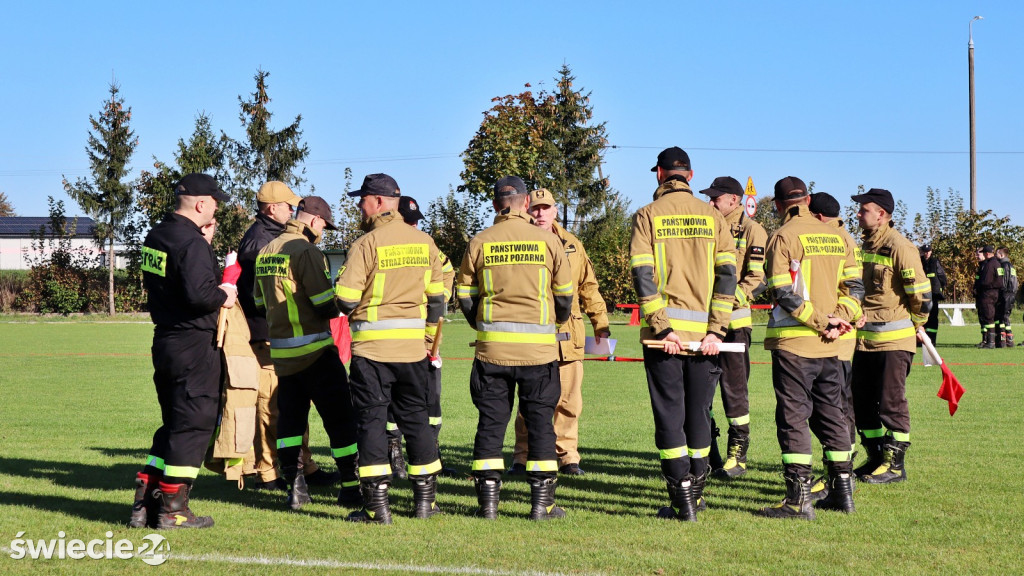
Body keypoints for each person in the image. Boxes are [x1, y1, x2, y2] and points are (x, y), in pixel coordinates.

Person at [629, 148, 736, 521]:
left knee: (670, 417)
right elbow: (727, 278)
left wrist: (663, 327)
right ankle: (698, 496)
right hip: (706, 339)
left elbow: (643, 277)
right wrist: (716, 331)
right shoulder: (713, 216)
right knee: (699, 416)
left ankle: (682, 501)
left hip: (666, 340)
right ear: (690, 176)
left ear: (659, 174)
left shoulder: (647, 215)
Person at [458, 175, 573, 520]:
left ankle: (488, 505)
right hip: (539, 352)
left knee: (491, 423)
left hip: (491, 351)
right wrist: (552, 323)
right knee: (540, 424)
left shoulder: (480, 241)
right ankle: (542, 505)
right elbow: (565, 295)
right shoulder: (548, 241)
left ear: (496, 205)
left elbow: (464, 295)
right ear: (525, 203)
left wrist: (481, 325)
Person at [335, 174, 447, 524]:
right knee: (417, 422)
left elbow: (346, 299)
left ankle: (376, 508)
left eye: (363, 198)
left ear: (380, 202)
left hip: (372, 351)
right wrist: (427, 341)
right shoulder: (425, 241)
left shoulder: (366, 244)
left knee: (371, 423)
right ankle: (425, 503)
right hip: (413, 351)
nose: (359, 205)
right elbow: (437, 301)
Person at [130, 173, 236, 529]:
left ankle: (144, 503)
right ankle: (173, 510)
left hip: (166, 340)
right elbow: (199, 295)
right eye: (216, 202)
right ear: (202, 203)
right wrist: (225, 292)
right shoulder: (191, 243)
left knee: (174, 423)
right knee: (193, 424)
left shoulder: (156, 235)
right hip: (193, 343)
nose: (217, 209)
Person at [759, 178, 862, 520]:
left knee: (793, 419)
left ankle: (797, 501)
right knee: (832, 415)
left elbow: (782, 293)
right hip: (831, 345)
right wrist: (841, 320)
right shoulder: (838, 236)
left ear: (778, 204)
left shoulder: (783, 236)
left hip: (796, 343)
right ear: (807, 199)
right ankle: (843, 495)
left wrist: (821, 321)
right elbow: (855, 287)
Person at [254, 196, 360, 510]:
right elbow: (324, 302)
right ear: (314, 221)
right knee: (341, 421)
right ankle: (351, 488)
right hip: (316, 352)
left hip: (283, 357)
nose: (324, 232)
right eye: (324, 226)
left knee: (290, 424)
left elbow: (260, 305)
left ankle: (296, 489)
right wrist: (344, 304)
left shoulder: (265, 251)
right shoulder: (306, 251)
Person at [236, 181, 336, 491]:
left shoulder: (272, 238)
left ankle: (304, 466)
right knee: (273, 406)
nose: (292, 210)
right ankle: (269, 474)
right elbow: (265, 296)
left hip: (281, 336)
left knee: (291, 404)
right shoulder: (259, 243)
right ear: (271, 209)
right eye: (286, 205)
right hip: (270, 337)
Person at [506, 187, 610, 477]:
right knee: (530, 401)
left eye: (545, 208)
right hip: (531, 334)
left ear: (554, 210)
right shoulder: (518, 240)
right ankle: (522, 457)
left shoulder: (573, 244)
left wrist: (600, 322)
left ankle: (568, 458)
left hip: (569, 335)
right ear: (527, 210)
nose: (539, 213)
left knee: (568, 401)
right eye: (535, 208)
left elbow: (588, 286)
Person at [850, 188, 931, 484]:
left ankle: (894, 465)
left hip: (894, 342)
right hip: (864, 342)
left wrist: (917, 324)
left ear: (881, 214)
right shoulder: (864, 245)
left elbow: (921, 296)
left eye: (864, 210)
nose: (859, 214)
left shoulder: (901, 246)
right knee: (861, 401)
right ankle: (875, 458)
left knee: (890, 402)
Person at [383, 195, 459, 478]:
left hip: (427, 336)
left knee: (432, 399)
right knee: (395, 400)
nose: (415, 226)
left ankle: (431, 455)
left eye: (417, 222)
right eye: (410, 221)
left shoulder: (428, 246)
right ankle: (394, 455)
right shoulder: (383, 243)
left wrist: (437, 299)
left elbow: (448, 272)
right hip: (393, 338)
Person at [697, 177, 767, 479]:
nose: (711, 202)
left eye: (717, 198)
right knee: (701, 392)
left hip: (735, 325)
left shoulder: (753, 231)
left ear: (735, 200)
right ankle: (708, 449)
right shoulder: (705, 226)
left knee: (734, 392)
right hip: (701, 324)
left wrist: (725, 304)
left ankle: (737, 455)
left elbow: (758, 279)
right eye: (710, 198)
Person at [806, 192, 863, 503]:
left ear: (817, 216)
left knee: (833, 413)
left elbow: (851, 288)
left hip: (833, 342)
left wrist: (834, 320)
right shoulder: (844, 237)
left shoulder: (833, 239)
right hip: (835, 338)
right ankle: (840, 475)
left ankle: (840, 477)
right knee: (833, 411)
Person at [919, 244, 948, 346]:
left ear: (931, 251)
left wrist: (941, 288)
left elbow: (942, 276)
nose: (927, 253)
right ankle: (922, 339)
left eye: (928, 251)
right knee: (921, 317)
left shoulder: (935, 262)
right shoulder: (919, 261)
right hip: (921, 293)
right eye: (925, 251)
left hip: (933, 294)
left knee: (932, 317)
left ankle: (932, 340)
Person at [974, 245, 1000, 349]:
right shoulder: (997, 263)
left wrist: (978, 287)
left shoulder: (989, 265)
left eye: (983, 253)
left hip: (988, 293)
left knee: (989, 318)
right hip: (994, 292)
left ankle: (990, 342)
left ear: (987, 254)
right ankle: (987, 341)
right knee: (988, 317)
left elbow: (986, 280)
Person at [995, 247, 1017, 347]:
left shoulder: (1004, 266)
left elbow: (1003, 281)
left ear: (1001, 255)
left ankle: (1003, 340)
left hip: (1006, 294)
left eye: (997, 254)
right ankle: (1009, 339)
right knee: (1005, 317)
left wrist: (999, 292)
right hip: (1011, 294)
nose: (995, 256)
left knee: (1002, 317)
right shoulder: (1011, 266)